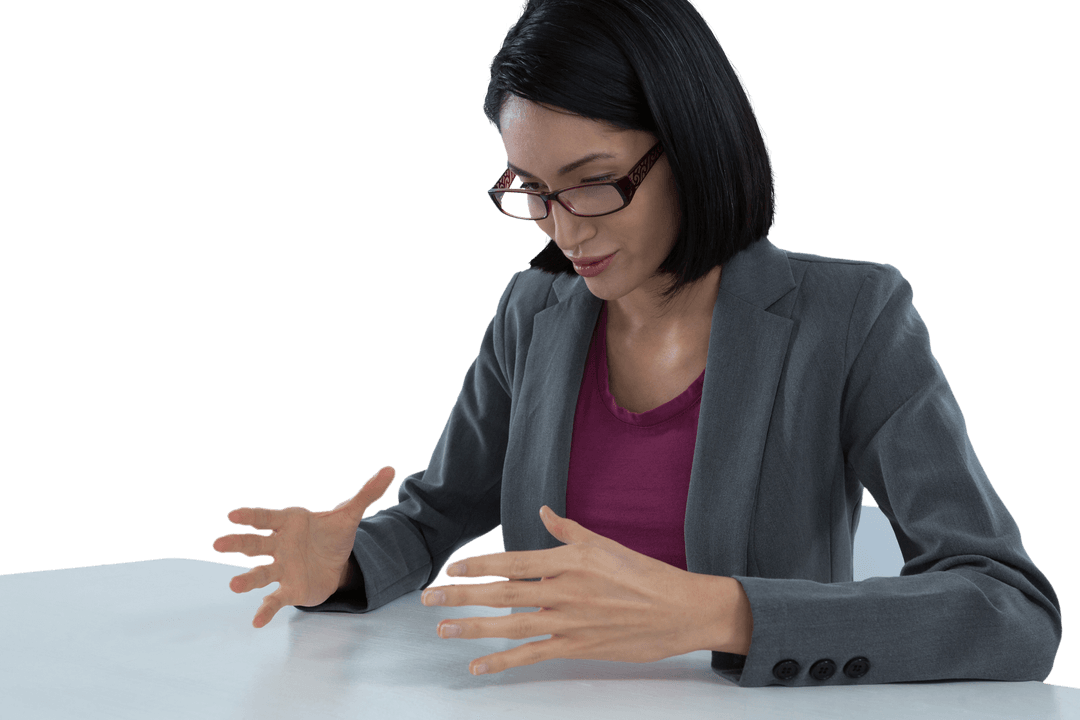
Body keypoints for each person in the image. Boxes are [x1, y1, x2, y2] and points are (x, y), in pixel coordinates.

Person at [211, 0, 1062, 687]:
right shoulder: (532, 308)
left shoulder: (850, 318)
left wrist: (715, 613)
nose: (562, 227)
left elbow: (1011, 609)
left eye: (592, 184)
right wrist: (345, 567)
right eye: (533, 191)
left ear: (693, 145)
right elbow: (436, 514)